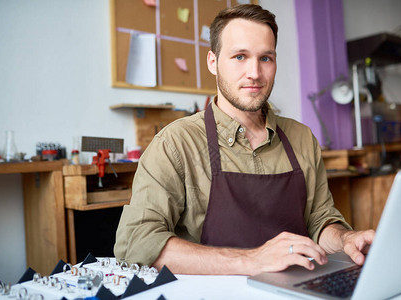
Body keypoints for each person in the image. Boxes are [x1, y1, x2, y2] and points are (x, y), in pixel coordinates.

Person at [114, 4, 374, 276]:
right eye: (240, 56)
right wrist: (251, 260)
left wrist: (345, 239)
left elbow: (319, 221)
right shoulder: (176, 143)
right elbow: (135, 242)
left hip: (295, 290)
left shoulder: (302, 138)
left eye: (265, 58)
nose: (254, 73)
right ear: (212, 62)